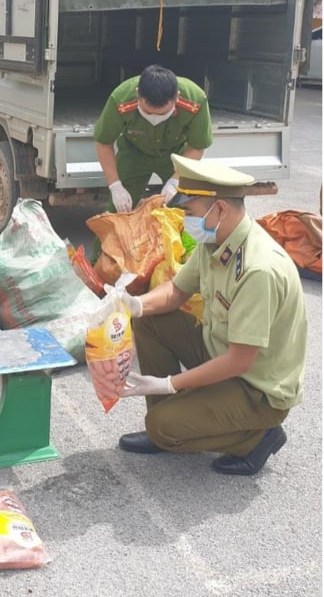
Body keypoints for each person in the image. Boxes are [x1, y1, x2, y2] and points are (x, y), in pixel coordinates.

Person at [117, 153, 307, 476]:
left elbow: (239, 361)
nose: (186, 220)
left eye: (189, 211)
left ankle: (257, 437)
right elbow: (176, 292)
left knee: (162, 426)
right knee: (148, 319)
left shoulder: (257, 269)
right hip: (220, 350)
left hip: (256, 390)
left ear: (218, 208)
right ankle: (176, 421)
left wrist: (169, 384)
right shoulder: (215, 240)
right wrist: (131, 304)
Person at [93, 65, 213, 211]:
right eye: (147, 113)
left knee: (186, 207)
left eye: (163, 114)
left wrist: (176, 180)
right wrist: (115, 185)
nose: (155, 118)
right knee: (118, 210)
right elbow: (104, 142)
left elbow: (197, 146)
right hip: (134, 153)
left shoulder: (195, 100)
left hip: (176, 156)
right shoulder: (121, 99)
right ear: (138, 94)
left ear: (177, 97)